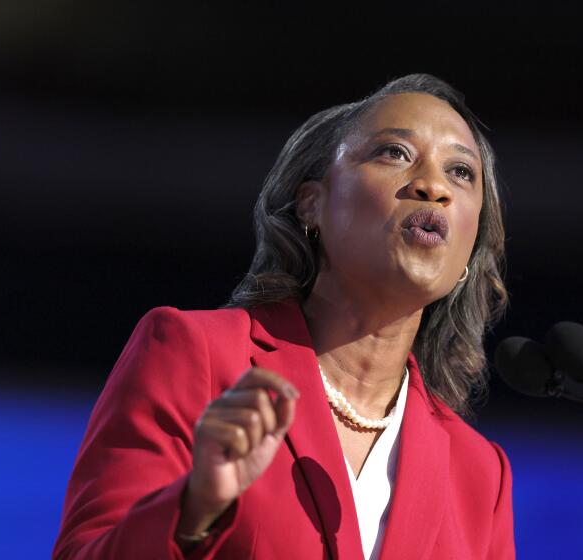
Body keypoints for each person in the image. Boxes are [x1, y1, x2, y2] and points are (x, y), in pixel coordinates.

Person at [53, 73, 514, 560]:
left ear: (470, 248)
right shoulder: (197, 355)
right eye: (394, 153)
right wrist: (194, 507)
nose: (433, 186)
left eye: (461, 172)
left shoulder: (480, 474)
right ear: (312, 204)